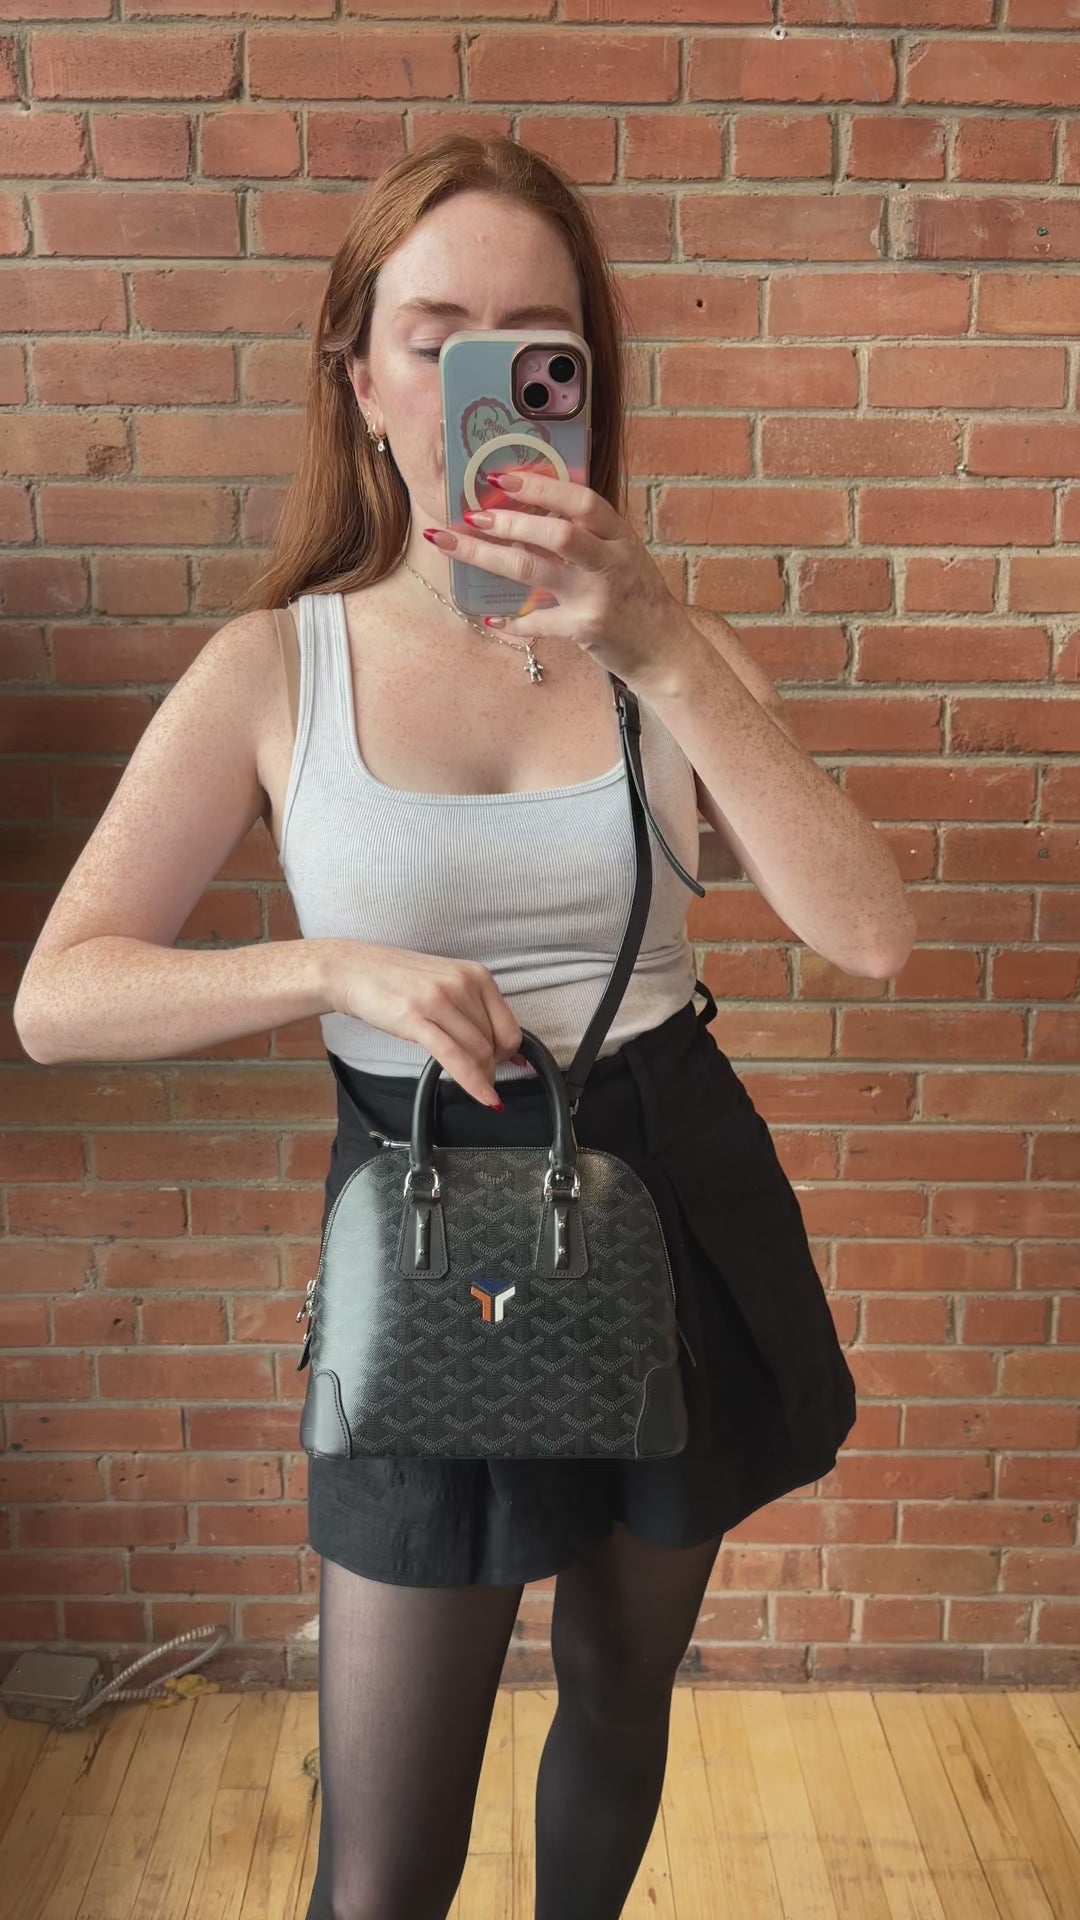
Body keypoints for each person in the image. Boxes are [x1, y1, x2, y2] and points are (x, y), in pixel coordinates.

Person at [14, 133, 913, 1920]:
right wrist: (330, 968)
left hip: (670, 1187)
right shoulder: (277, 666)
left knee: (620, 1696)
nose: (486, 382)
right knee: (384, 1857)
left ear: (585, 383)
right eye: (438, 338)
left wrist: (661, 645)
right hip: (428, 1218)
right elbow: (58, 997)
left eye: (537, 343)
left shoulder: (668, 651)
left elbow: (872, 932)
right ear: (361, 381)